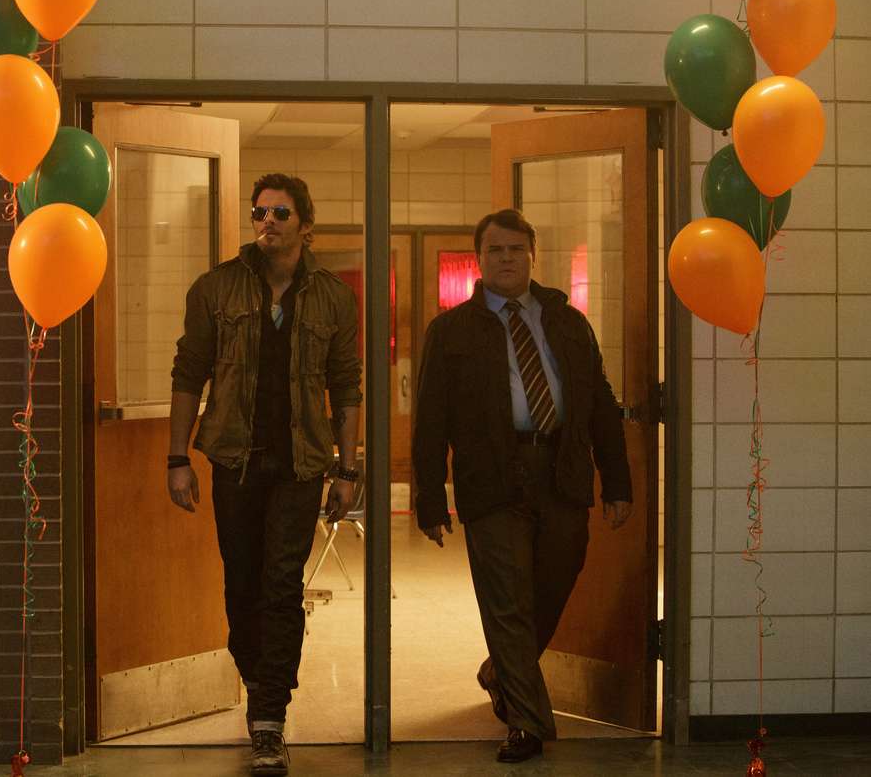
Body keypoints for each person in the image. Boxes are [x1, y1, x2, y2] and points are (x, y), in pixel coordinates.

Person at [411, 208, 632, 763]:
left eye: (515, 249)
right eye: (494, 250)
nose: (505, 259)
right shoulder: (452, 330)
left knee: (554, 583)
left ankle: (499, 672)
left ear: (532, 254)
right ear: (479, 259)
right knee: (507, 599)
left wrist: (618, 480)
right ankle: (528, 724)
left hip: (561, 471)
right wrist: (431, 498)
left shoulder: (567, 321)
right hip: (491, 478)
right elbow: (431, 419)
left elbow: (600, 404)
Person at [167, 173, 363, 776]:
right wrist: (177, 458)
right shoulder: (216, 288)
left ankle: (269, 717)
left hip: (301, 464)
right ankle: (262, 682)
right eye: (260, 213)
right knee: (242, 587)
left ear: (307, 224)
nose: (267, 222)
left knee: (281, 587)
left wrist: (347, 468)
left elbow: (346, 386)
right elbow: (187, 374)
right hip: (235, 461)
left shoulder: (332, 296)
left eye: (280, 213)